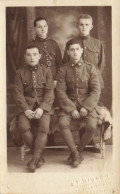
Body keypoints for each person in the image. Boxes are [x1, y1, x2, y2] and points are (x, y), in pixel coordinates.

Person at [56, 40, 101, 168]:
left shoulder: (90, 68)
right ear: (68, 52)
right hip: (69, 103)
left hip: (88, 103)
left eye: (77, 49)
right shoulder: (63, 69)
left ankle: (78, 151)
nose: (75, 52)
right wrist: (71, 109)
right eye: (72, 50)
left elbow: (96, 90)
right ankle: (75, 153)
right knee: (62, 123)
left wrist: (86, 107)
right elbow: (60, 92)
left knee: (92, 126)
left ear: (81, 50)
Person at [14, 43, 54, 172]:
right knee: (23, 127)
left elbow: (49, 92)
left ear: (39, 56)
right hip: (26, 106)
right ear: (25, 57)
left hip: (44, 106)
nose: (32, 57)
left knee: (44, 128)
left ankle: (35, 158)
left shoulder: (47, 71)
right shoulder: (19, 73)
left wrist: (42, 108)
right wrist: (25, 109)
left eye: (35, 54)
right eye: (29, 55)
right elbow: (18, 94)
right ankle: (38, 157)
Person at [32, 16, 63, 145]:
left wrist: (56, 80)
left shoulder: (53, 43)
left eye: (45, 26)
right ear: (35, 29)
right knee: (45, 109)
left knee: (55, 110)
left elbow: (60, 64)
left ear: (47, 27)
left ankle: (53, 138)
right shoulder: (32, 45)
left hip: (55, 82)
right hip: (42, 82)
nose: (43, 29)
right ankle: (45, 140)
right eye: (39, 26)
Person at [63, 14, 105, 89]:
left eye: (87, 24)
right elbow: (65, 63)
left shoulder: (98, 43)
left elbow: (101, 64)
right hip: (76, 84)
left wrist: (94, 77)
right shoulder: (70, 43)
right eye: (81, 24)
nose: (84, 27)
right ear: (77, 26)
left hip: (95, 84)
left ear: (91, 27)